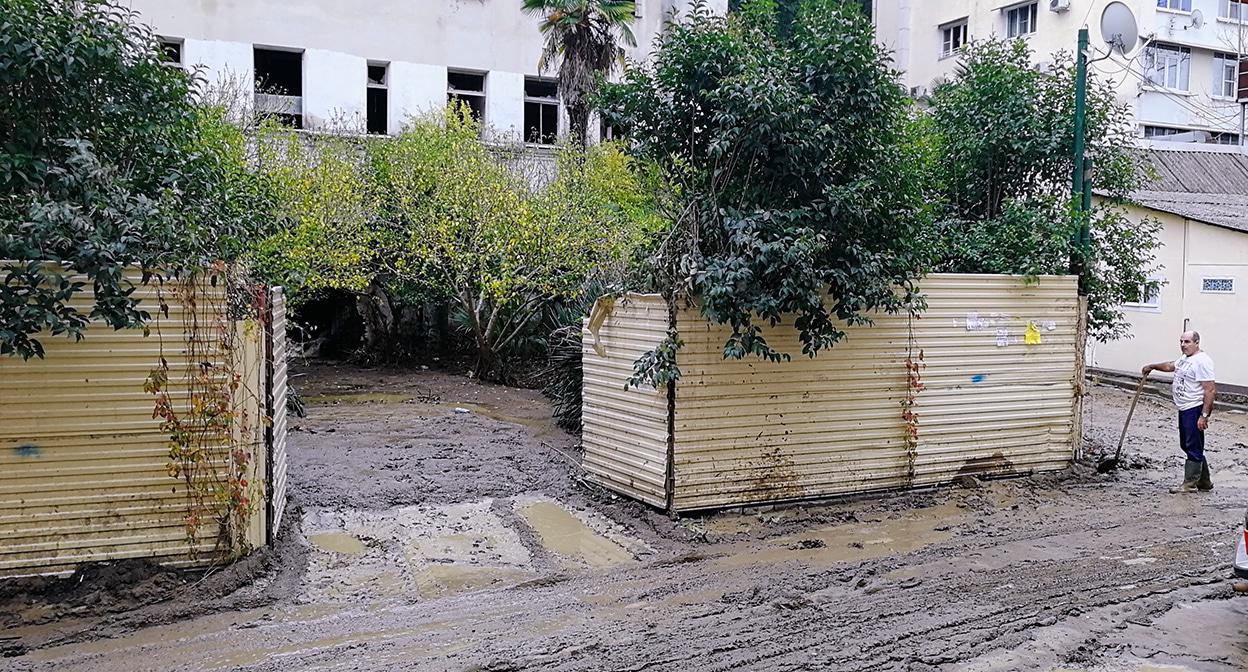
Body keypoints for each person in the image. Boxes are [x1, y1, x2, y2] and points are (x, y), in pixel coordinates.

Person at [1142, 331, 1217, 493]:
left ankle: (1190, 484)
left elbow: (1210, 390)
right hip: (1184, 407)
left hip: (1194, 408)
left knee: (1192, 445)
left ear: (1197, 342)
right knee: (1188, 444)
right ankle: (1204, 482)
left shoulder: (1202, 362)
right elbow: (1171, 366)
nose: (1183, 345)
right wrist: (1152, 366)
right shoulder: (1185, 358)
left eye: (1187, 342)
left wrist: (1204, 415)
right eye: (1181, 341)